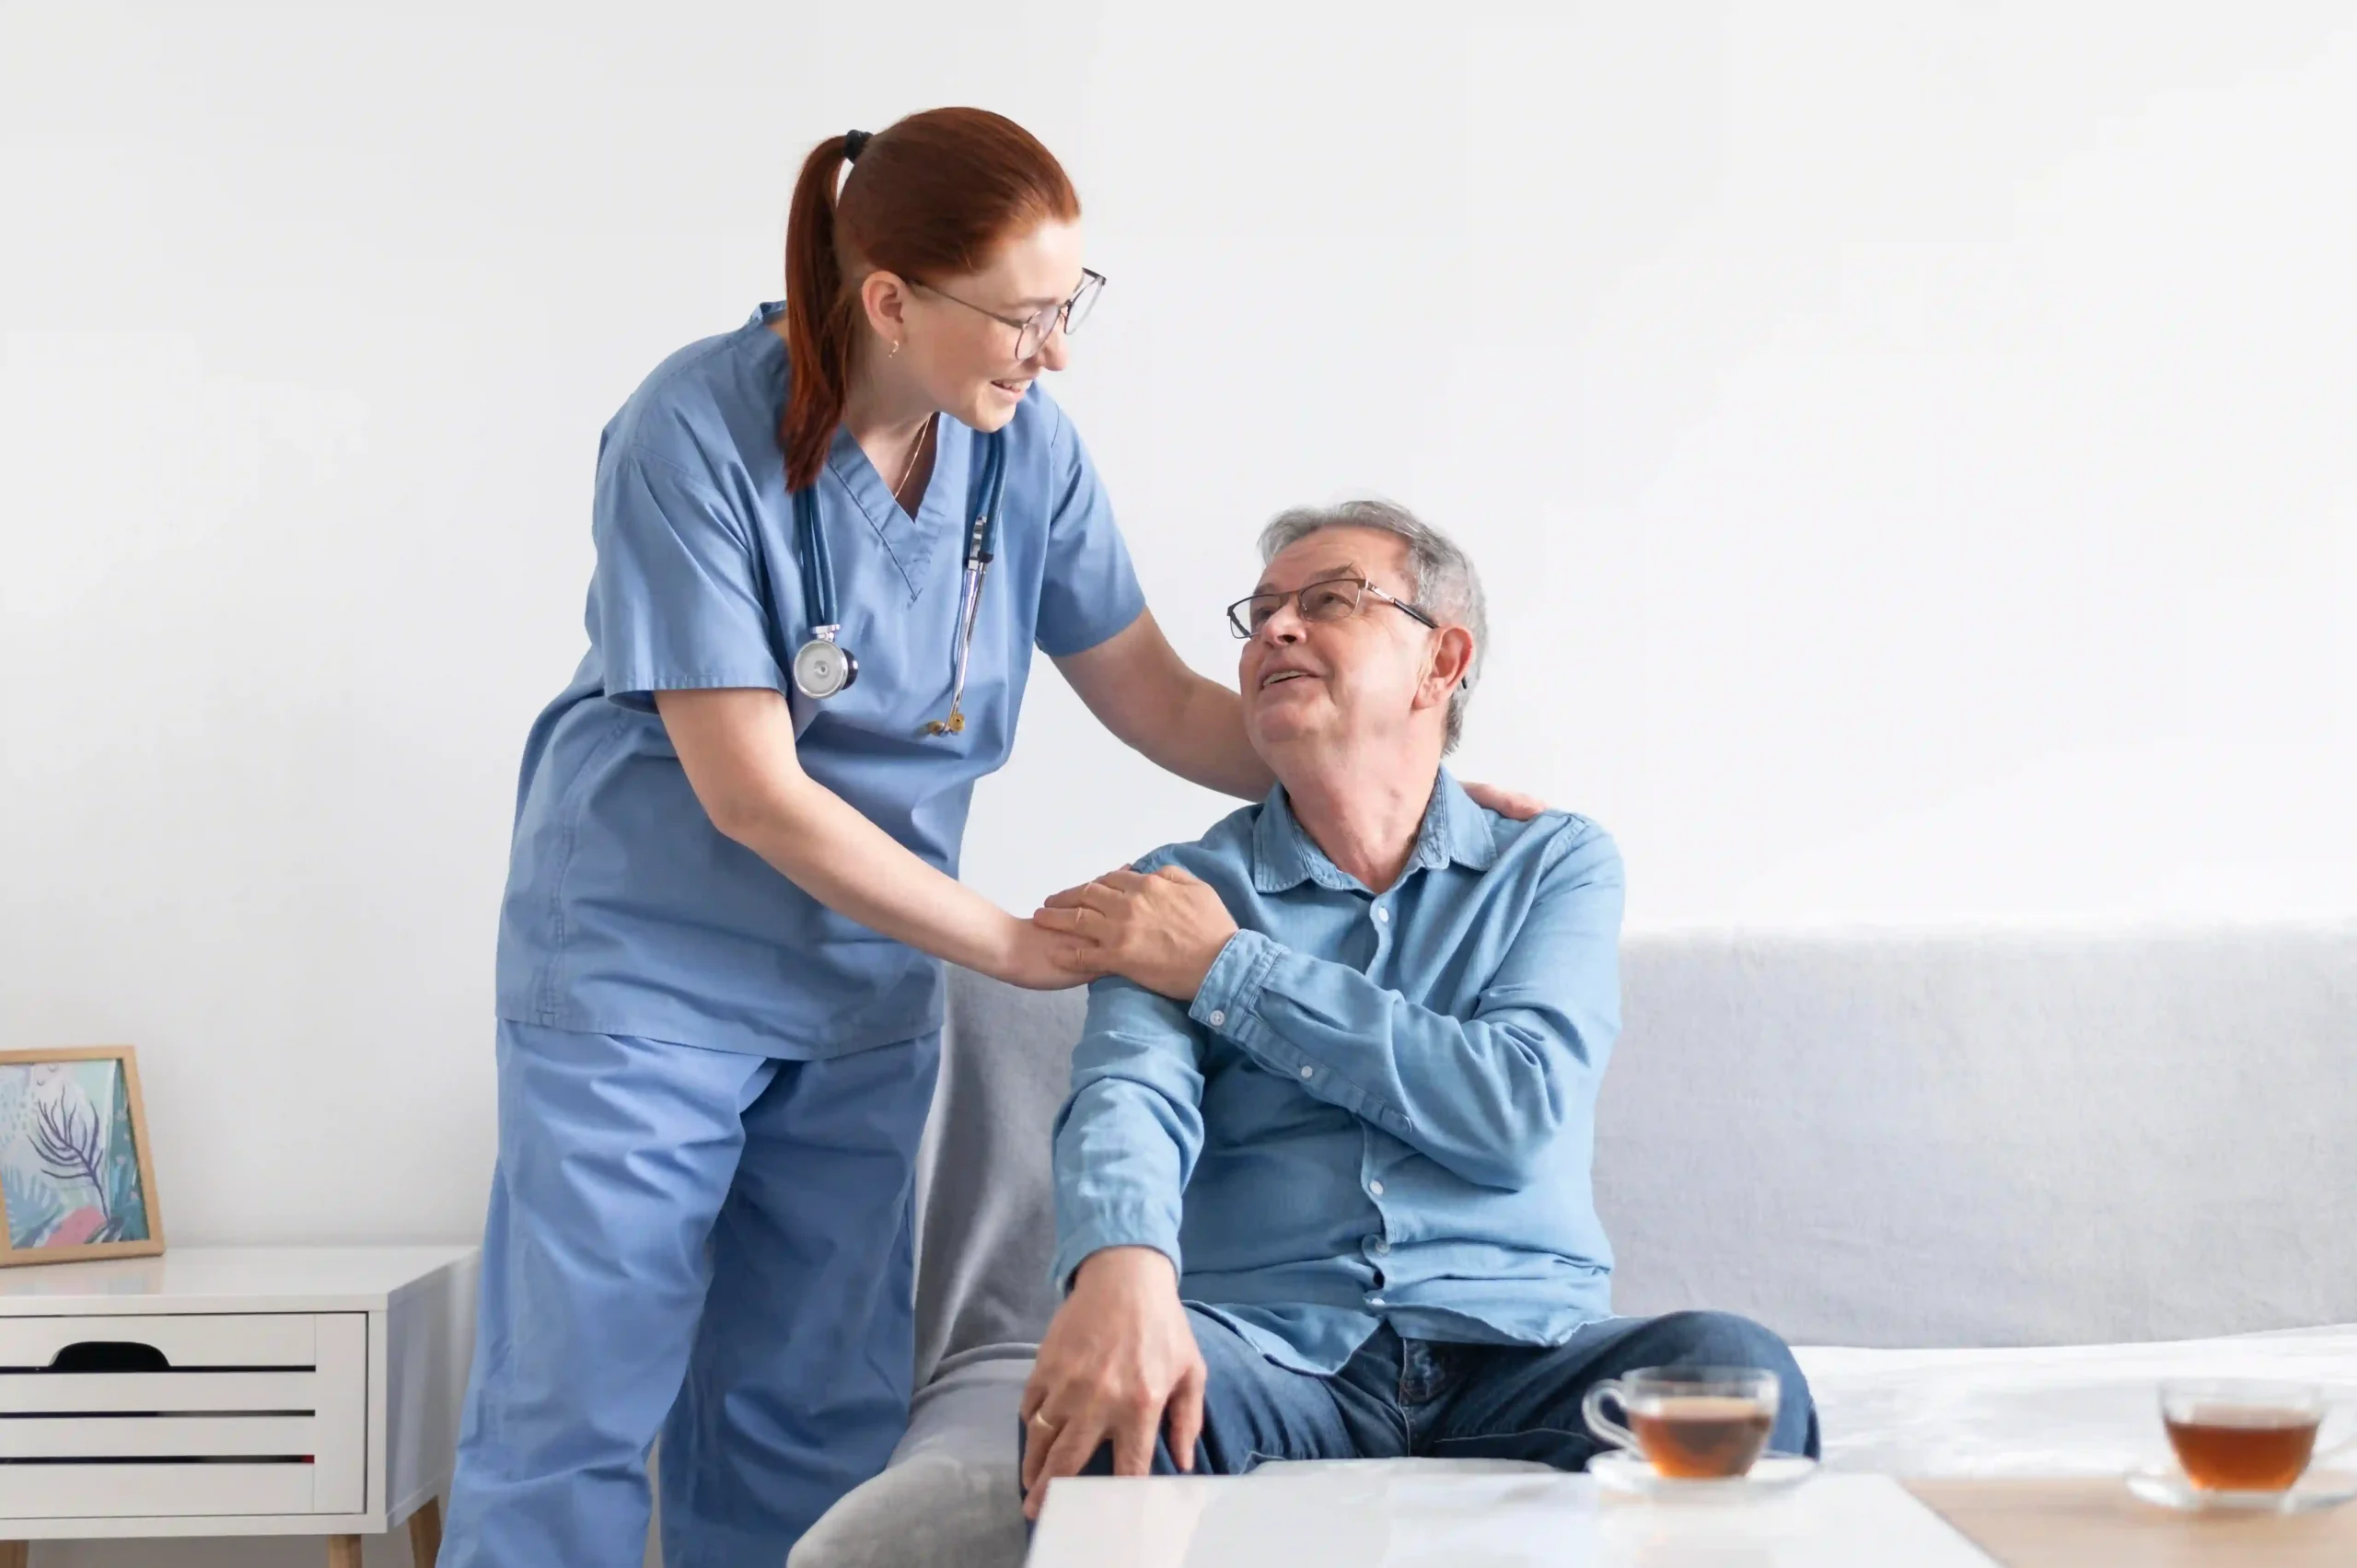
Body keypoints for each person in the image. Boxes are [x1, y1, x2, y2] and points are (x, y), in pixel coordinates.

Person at [441, 112, 1536, 1568]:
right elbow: (752, 791)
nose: (1055, 351)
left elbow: (1154, 697)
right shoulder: (689, 432)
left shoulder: (1027, 457)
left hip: (860, 980)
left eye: (1069, 305)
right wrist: (1016, 943)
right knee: (575, 1401)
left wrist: (1419, 771)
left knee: (804, 1409)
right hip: (650, 972)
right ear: (890, 298)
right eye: (1026, 315)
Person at [1017, 500, 1817, 1515]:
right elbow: (1126, 1100)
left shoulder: (1551, 864)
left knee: (1729, 1368)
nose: (1275, 628)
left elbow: (1516, 1109)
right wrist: (1120, 1271)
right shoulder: (1173, 889)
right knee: (1107, 1408)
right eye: (1260, 611)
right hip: (1272, 1349)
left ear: (1441, 663)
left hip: (1525, 1353)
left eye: (1328, 600)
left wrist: (1230, 968)